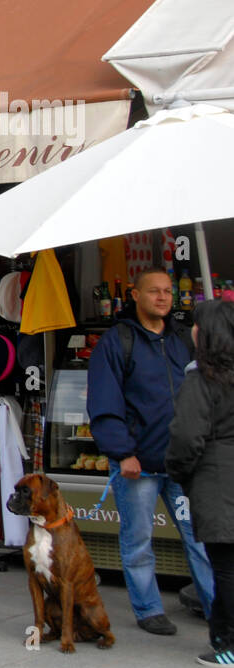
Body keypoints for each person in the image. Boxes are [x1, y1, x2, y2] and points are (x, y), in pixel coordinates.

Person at [89, 266, 215, 635]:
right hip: (138, 465)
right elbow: (104, 402)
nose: (162, 297)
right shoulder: (117, 341)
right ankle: (148, 610)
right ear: (135, 295)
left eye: (167, 292)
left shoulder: (183, 341)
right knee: (138, 541)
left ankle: (217, 609)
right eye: (154, 291)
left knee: (201, 539)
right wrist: (122, 451)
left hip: (183, 463)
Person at [167, 301, 234, 667]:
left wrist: (178, 472)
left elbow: (185, 437)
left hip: (218, 485)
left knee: (225, 569)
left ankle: (230, 644)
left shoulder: (202, 379)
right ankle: (224, 637)